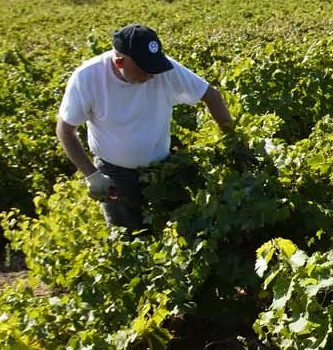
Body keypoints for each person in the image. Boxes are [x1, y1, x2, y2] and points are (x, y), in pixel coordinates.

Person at [56, 24, 236, 229]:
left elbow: (211, 95)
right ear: (119, 61)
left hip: (163, 168)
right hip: (115, 175)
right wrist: (92, 175)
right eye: (144, 69)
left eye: (155, 66)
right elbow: (65, 130)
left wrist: (232, 140)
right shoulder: (88, 77)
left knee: (179, 229)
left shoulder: (163, 70)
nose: (152, 74)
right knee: (129, 236)